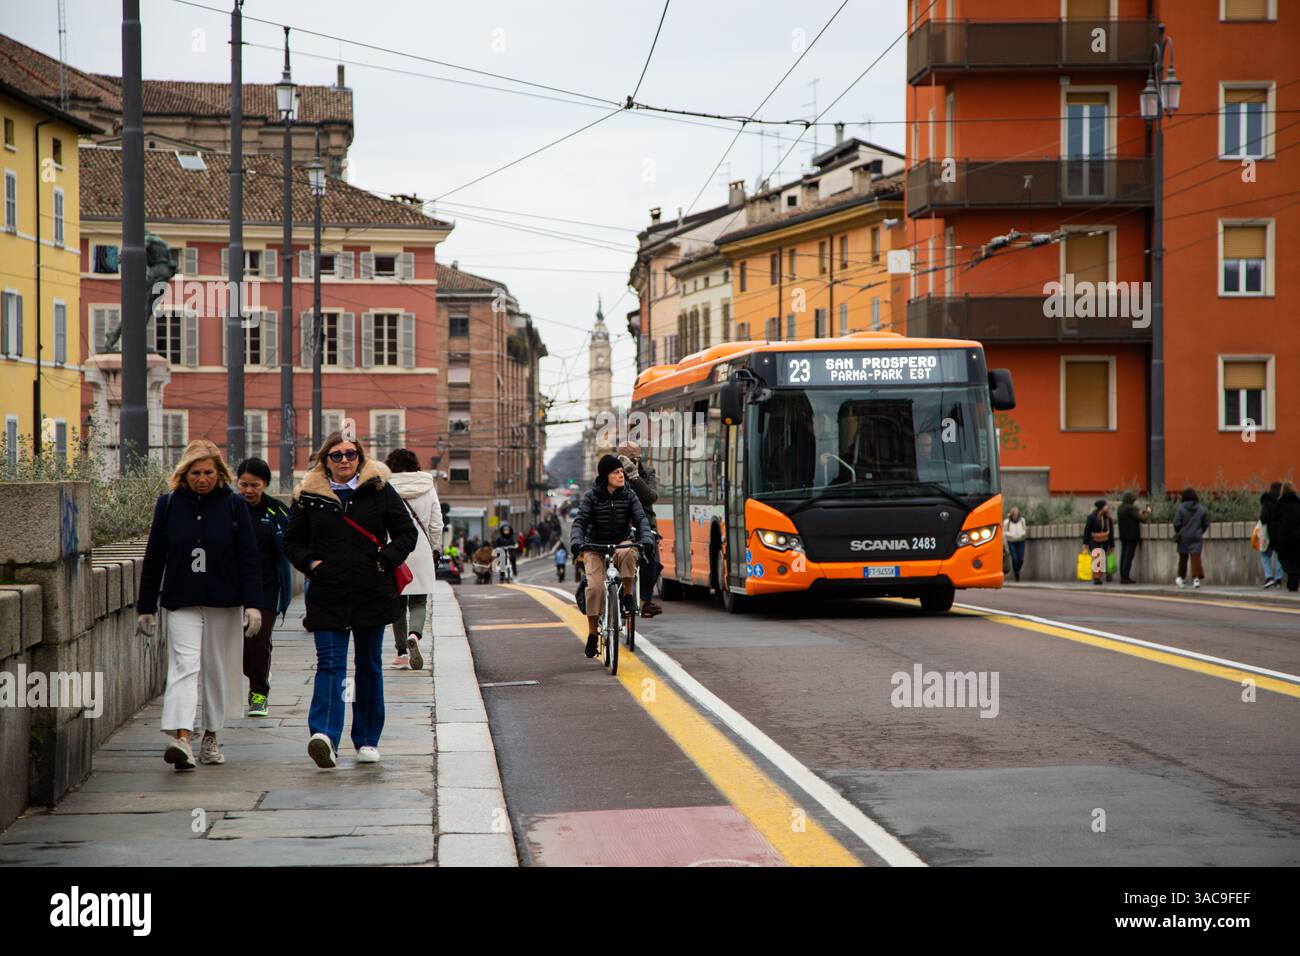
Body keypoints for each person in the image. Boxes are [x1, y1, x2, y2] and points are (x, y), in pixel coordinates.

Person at [284, 431, 417, 769]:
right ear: (324, 460)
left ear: (360, 458)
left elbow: (406, 533)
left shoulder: (379, 489)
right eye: (336, 455)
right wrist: (312, 564)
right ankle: (325, 736)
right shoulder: (309, 495)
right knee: (331, 664)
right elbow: (292, 540)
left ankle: (367, 739)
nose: (344, 460)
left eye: (350, 455)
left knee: (368, 665)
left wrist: (385, 559)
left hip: (371, 589)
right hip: (328, 591)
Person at [137, 439, 262, 770]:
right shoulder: (168, 504)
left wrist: (253, 604)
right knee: (184, 666)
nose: (202, 479)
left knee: (217, 670)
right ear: (184, 473)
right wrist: (146, 606)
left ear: (219, 473)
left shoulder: (234, 506)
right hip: (182, 599)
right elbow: (154, 557)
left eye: (208, 472)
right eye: (195, 472)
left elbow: (250, 557)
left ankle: (211, 735)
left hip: (224, 600)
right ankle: (181, 738)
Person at [571, 454, 654, 659]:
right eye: (616, 472)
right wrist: (576, 541)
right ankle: (592, 634)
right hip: (594, 546)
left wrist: (646, 539)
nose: (621, 475)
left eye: (621, 472)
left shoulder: (629, 495)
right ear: (605, 476)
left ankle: (626, 596)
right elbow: (580, 522)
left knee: (628, 552)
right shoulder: (591, 496)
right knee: (595, 588)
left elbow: (641, 520)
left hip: (621, 541)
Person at [234, 458, 293, 717]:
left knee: (257, 641)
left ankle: (259, 693)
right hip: (232, 588)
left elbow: (296, 541)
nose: (248, 490)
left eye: (254, 485)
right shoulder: (228, 509)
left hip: (268, 589)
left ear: (265, 484)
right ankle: (257, 670)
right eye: (243, 484)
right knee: (238, 646)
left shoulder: (277, 512)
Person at [385, 448, 443, 671]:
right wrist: (435, 548)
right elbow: (437, 523)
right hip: (421, 550)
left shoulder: (386, 486)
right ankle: (415, 635)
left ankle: (401, 653)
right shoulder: (428, 486)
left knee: (397, 602)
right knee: (419, 601)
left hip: (395, 549)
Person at [618, 440, 663, 617]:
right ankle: (616, 594)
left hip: (644, 520)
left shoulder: (647, 472)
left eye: (633, 458)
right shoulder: (611, 472)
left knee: (650, 554)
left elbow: (651, 497)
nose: (629, 462)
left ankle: (646, 600)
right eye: (625, 459)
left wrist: (635, 476)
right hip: (619, 521)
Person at [1172, 487, 1210, 589]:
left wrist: (1179, 531)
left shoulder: (1180, 509)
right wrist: (1199, 531)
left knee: (1183, 558)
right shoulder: (1202, 509)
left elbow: (1176, 523)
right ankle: (1196, 579)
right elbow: (1206, 523)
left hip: (1184, 537)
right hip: (1196, 536)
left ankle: (1181, 578)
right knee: (1196, 558)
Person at [1116, 492, 1151, 585]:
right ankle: (1125, 577)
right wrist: (1148, 511)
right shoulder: (1131, 508)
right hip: (1132, 535)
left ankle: (1122, 576)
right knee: (1128, 557)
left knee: (1123, 556)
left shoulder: (1120, 508)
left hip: (1123, 535)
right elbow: (1142, 518)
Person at [1274, 481, 1300, 592]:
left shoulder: (1279, 503)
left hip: (1284, 537)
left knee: (1285, 559)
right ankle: (1294, 577)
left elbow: (1274, 521)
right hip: (1298, 536)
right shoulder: (1298, 502)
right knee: (1296, 559)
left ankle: (1292, 576)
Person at [1082, 499, 1115, 586]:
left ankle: (1102, 575)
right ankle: (1096, 577)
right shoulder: (1092, 517)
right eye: (1106, 505)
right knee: (1097, 557)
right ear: (1101, 507)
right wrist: (1085, 543)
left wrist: (1112, 545)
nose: (1107, 507)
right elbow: (1087, 530)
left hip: (1105, 540)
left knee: (1103, 558)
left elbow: (1111, 533)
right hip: (1094, 540)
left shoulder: (1108, 518)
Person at [1259, 482, 1284, 588]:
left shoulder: (1267, 501)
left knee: (1265, 555)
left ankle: (1269, 577)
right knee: (1280, 556)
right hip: (1280, 533)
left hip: (1268, 534)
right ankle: (1278, 578)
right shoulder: (1282, 501)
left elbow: (1264, 518)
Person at [1002, 506, 1027, 582]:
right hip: (1011, 541)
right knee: (1014, 558)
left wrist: (1021, 534)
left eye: (1017, 514)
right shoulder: (1007, 522)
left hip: (1020, 541)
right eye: (1014, 514)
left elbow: (1025, 530)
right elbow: (1004, 532)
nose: (1015, 516)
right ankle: (1016, 573)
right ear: (1012, 515)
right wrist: (1011, 534)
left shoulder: (1022, 520)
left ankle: (1017, 570)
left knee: (1021, 559)